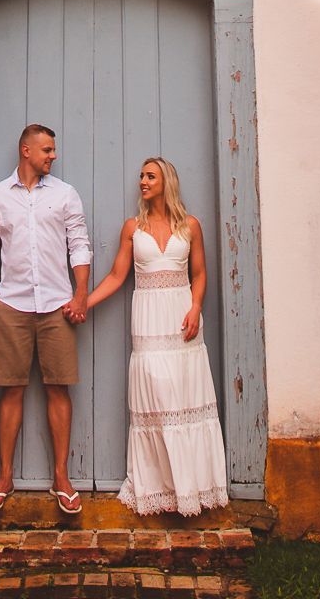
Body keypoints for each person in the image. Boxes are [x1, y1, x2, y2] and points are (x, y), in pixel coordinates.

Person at [86, 157, 228, 518]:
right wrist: (83, 303)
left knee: (185, 401)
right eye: (141, 176)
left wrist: (196, 307)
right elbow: (116, 277)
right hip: (149, 322)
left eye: (150, 176)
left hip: (183, 322)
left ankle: (192, 488)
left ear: (167, 182)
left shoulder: (190, 226)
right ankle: (160, 488)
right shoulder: (132, 228)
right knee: (158, 400)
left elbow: (199, 273)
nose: (143, 182)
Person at [0, 122, 92, 515]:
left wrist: (80, 294)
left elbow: (79, 244)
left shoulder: (65, 194)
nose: (53, 156)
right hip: (11, 306)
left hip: (58, 306)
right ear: (26, 151)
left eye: (53, 150)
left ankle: (61, 477)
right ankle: (4, 477)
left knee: (59, 388)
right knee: (11, 390)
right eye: (47, 150)